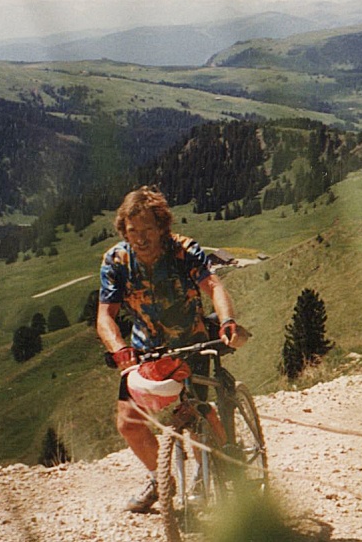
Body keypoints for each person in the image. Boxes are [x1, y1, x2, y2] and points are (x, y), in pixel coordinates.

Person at [96, 186, 247, 513]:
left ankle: (210, 472)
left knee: (194, 417)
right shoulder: (116, 261)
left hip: (190, 344)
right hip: (145, 352)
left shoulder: (184, 251)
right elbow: (104, 317)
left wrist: (227, 322)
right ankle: (158, 478)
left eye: (148, 229)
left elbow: (214, 286)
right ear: (124, 230)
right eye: (132, 231)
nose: (140, 238)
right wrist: (120, 351)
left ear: (162, 227)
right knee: (129, 424)